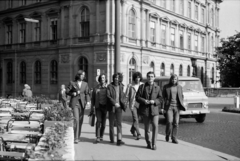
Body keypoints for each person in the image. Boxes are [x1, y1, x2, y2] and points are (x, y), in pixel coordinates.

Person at [136, 71, 163, 150]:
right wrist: (144, 101)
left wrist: (154, 101)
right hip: (145, 110)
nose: (150, 78)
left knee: (155, 126)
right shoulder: (142, 87)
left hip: (154, 110)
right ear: (147, 78)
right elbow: (137, 97)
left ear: (154, 78)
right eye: (149, 76)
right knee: (147, 127)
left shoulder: (157, 87)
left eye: (152, 76)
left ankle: (154, 144)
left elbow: (161, 98)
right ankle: (148, 142)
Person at [66, 70, 90, 144]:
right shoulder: (72, 83)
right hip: (75, 103)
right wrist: (73, 93)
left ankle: (78, 136)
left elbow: (87, 93)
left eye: (84, 75)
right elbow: (67, 91)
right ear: (78, 75)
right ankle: (75, 138)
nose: (83, 76)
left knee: (80, 121)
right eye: (82, 75)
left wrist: (88, 101)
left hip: (82, 104)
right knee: (76, 120)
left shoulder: (85, 84)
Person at [162, 74, 186, 144]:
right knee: (169, 121)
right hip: (169, 107)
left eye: (175, 79)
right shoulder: (166, 87)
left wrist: (181, 104)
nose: (174, 80)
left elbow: (181, 96)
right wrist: (163, 107)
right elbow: (163, 98)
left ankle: (174, 138)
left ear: (177, 80)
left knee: (176, 123)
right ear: (170, 79)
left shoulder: (179, 87)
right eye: (172, 79)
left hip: (177, 107)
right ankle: (167, 134)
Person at [107, 73, 127, 146]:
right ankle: (112, 139)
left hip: (119, 107)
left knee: (119, 124)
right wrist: (114, 103)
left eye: (118, 78)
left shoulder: (121, 86)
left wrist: (123, 103)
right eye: (115, 77)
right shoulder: (109, 86)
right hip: (112, 107)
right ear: (113, 78)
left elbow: (123, 96)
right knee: (111, 124)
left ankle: (119, 139)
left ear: (119, 79)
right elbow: (108, 96)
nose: (116, 79)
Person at [91, 74, 108, 143]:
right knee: (98, 121)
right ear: (100, 79)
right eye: (101, 78)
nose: (102, 79)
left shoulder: (108, 87)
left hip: (105, 107)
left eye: (104, 78)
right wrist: (92, 107)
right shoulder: (96, 88)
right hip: (98, 107)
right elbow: (93, 99)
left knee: (103, 124)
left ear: (105, 79)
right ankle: (98, 136)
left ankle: (101, 135)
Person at [127, 71, 143, 140]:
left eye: (139, 77)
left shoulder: (143, 85)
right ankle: (138, 133)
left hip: (140, 104)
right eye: (136, 77)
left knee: (136, 119)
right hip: (133, 103)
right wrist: (125, 103)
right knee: (136, 119)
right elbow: (127, 95)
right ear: (134, 78)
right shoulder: (130, 86)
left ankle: (132, 130)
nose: (137, 79)